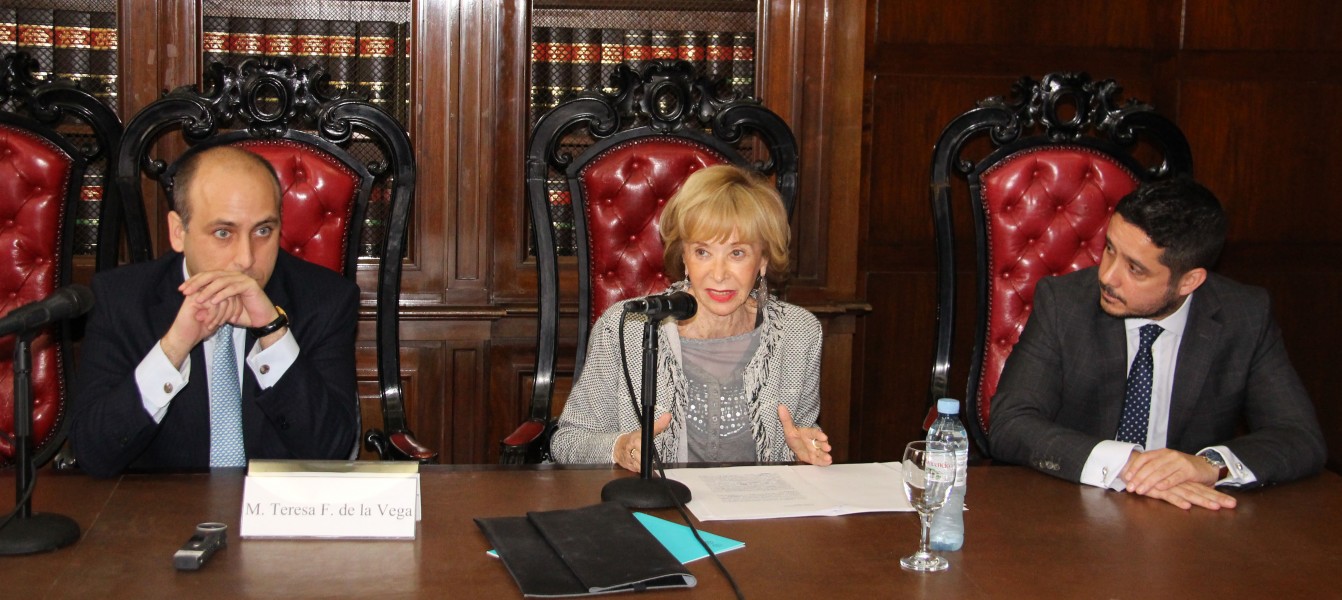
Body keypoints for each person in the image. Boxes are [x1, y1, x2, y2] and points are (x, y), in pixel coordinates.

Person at [990, 177, 1326, 510]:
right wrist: (1127, 463)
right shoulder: (1064, 304)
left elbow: (1299, 437)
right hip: (1076, 509)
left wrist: (1210, 465)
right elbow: (1011, 423)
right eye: (1110, 249)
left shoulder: (1244, 317)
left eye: (1135, 269)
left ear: (1189, 281)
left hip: (1187, 522)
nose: (1107, 276)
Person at [70, 146, 360, 476]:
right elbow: (93, 454)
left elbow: (332, 452)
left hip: (275, 515)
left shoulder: (324, 300)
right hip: (161, 517)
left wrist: (272, 333)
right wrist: (173, 349)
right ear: (179, 232)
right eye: (223, 233)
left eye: (263, 230)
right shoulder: (122, 300)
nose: (246, 259)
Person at [550, 164, 830, 471]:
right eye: (702, 252)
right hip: (657, 511)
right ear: (683, 257)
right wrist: (619, 448)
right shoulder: (627, 326)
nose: (719, 274)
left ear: (763, 260)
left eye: (737, 253)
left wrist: (805, 449)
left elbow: (802, 432)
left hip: (755, 512)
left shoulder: (799, 332)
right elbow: (568, 442)